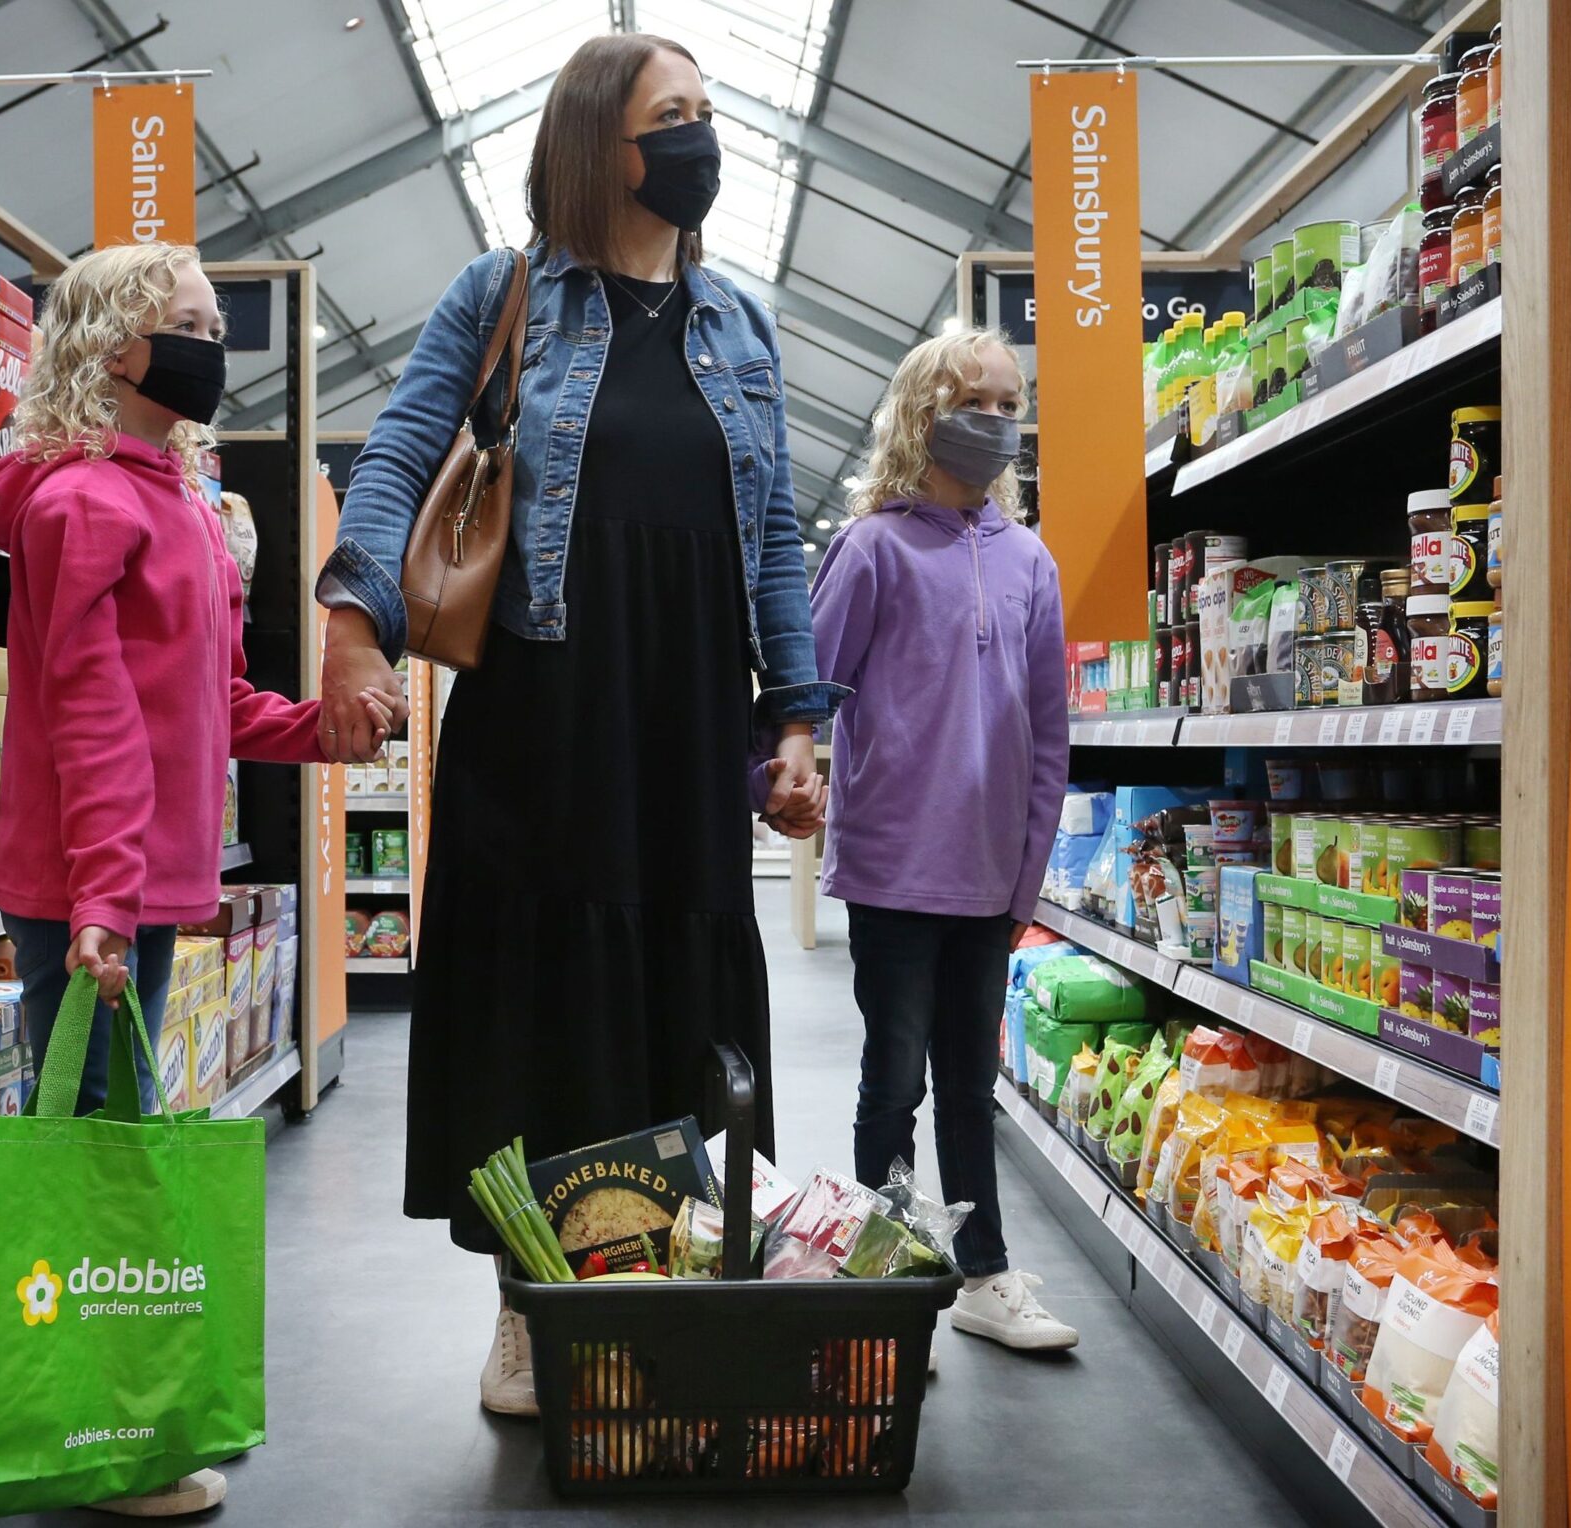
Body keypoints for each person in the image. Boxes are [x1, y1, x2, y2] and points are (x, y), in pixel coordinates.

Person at [318, 33, 841, 1415]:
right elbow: (399, 451)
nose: (701, 141)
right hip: (542, 722)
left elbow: (776, 537)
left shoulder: (742, 328)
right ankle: (528, 1308)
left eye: (710, 116)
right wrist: (351, 624)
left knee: (678, 1006)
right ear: (598, 141)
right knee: (538, 1010)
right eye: (675, 117)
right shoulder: (507, 300)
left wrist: (793, 721)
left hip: (680, 724)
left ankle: (661, 1298)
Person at [0, 241, 390, 1515]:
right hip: (87, 884)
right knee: (102, 1144)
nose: (220, 347)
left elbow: (202, 706)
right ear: (115, 349)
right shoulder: (80, 505)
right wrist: (101, 899)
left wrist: (317, 728)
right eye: (197, 325)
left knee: (118, 1137)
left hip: (139, 878)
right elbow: (90, 716)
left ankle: (125, 1398)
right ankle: (103, 1437)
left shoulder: (181, 503)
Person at [809, 328, 1079, 1352]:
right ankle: (881, 1268)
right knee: (896, 1076)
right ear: (926, 411)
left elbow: (1048, 732)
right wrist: (772, 776)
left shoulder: (1028, 562)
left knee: (973, 1086)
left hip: (987, 874)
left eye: (1012, 405)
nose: (998, 421)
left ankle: (984, 1273)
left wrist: (1028, 876)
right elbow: (815, 688)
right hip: (891, 868)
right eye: (980, 401)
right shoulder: (872, 546)